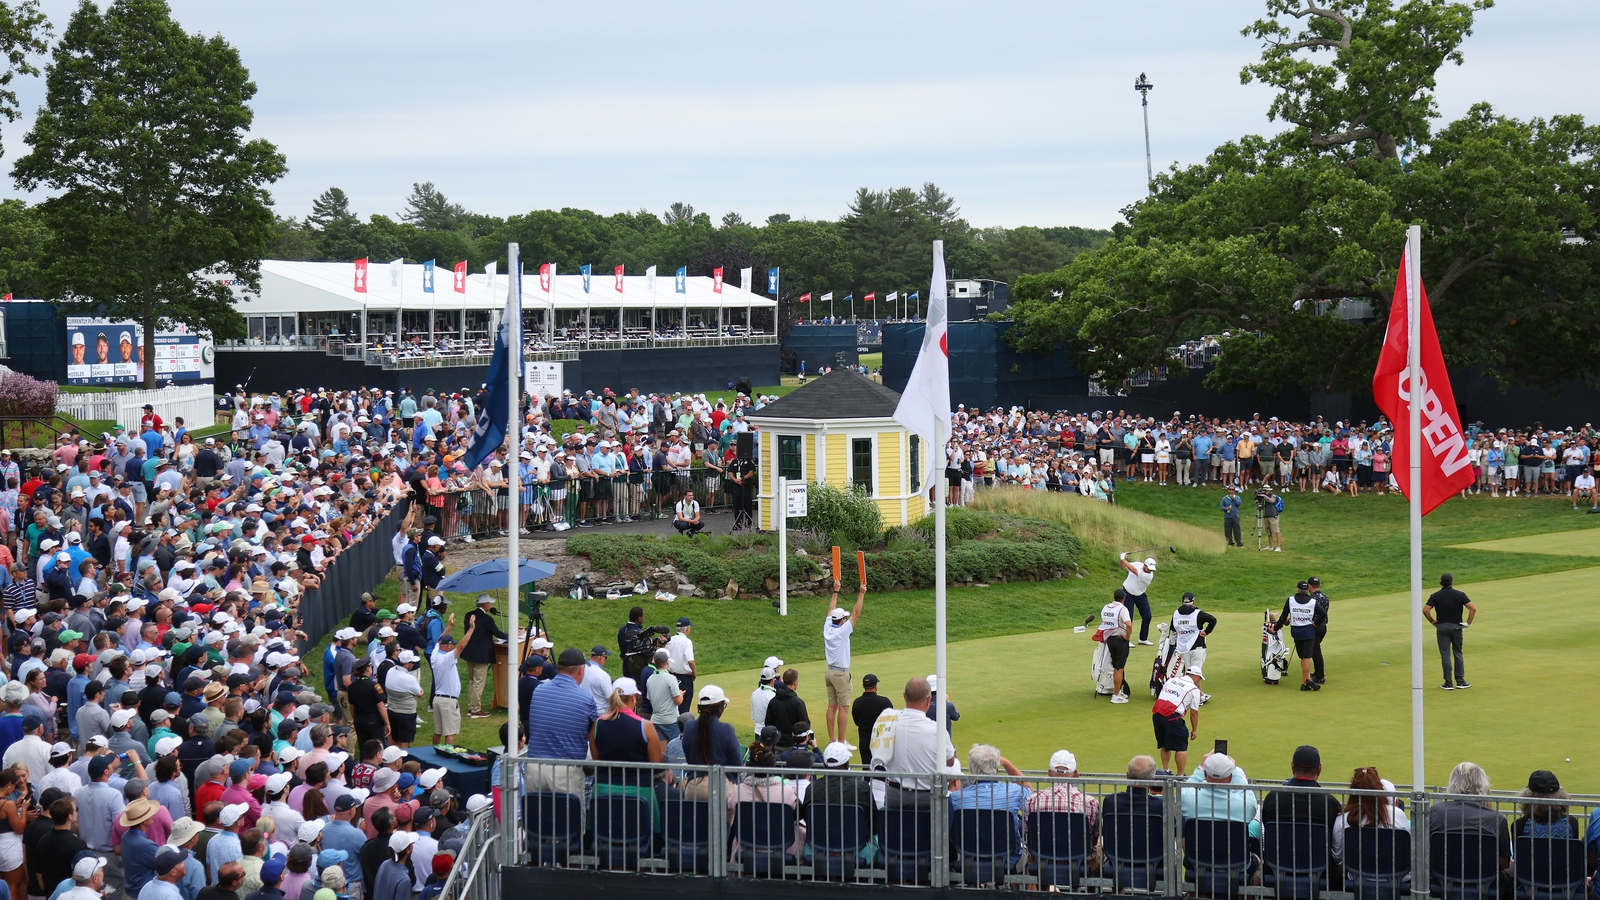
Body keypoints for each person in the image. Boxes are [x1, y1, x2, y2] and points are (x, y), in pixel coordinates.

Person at [1259, 746, 1344, 887]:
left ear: (1292, 767)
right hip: (1320, 872)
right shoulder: (1330, 803)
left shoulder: (1272, 799)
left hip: (1276, 868)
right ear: (1319, 769)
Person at [523, 648, 597, 796]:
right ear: (581, 670)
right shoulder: (586, 699)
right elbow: (593, 735)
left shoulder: (538, 691)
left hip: (534, 768)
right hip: (566, 772)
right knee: (568, 819)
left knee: (535, 818)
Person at [1430, 762, 1510, 892]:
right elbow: (1503, 863)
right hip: (1485, 881)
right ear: (1482, 784)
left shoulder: (1435, 811)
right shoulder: (1496, 818)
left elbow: (1424, 851)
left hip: (1440, 878)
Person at [883, 678, 940, 809]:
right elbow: (950, 760)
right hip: (926, 796)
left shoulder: (889, 723)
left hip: (895, 793)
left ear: (904, 695)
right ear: (928, 699)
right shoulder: (936, 729)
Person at [822, 577, 864, 746]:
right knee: (844, 707)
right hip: (840, 673)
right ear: (841, 621)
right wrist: (861, 594)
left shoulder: (828, 626)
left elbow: (831, 609)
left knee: (832, 706)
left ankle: (833, 740)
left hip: (829, 672)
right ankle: (840, 742)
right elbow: (856, 614)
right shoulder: (842, 631)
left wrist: (836, 590)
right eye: (844, 619)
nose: (846, 620)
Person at [1424, 573, 1476, 690]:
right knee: (1458, 653)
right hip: (1457, 627)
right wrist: (1468, 623)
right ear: (1452, 582)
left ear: (1441, 583)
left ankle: (1448, 683)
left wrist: (1432, 621)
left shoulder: (1436, 596)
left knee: (1445, 655)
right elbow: (1473, 608)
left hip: (1442, 627)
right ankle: (1460, 681)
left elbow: (1426, 610)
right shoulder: (1460, 595)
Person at [459, 594, 505, 720]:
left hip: (469, 652)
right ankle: (475, 709)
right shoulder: (487, 619)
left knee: (472, 681)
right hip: (481, 654)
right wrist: (515, 635)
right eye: (489, 603)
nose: (490, 605)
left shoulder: (468, 615)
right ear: (485, 605)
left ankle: (471, 706)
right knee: (478, 682)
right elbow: (499, 634)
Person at [1271, 581, 1323, 691]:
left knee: (1303, 657)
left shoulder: (1291, 600)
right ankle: (1306, 681)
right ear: (1306, 589)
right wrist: (1316, 623)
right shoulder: (1312, 602)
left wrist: (1274, 628)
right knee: (1306, 657)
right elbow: (1323, 613)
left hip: (1296, 631)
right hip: (1309, 631)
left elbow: (1283, 617)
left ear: (1298, 589)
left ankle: (1306, 681)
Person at [1150, 666, 1201, 776]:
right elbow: (1194, 712)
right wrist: (1194, 730)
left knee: (1164, 743)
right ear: (1196, 677)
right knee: (1181, 746)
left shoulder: (1172, 679)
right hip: (1172, 715)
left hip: (1157, 712)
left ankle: (1165, 771)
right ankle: (1180, 775)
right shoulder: (1194, 689)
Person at [1170, 592, 1216, 705]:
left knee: (1190, 673)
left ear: (1182, 602)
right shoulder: (1198, 613)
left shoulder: (1176, 613)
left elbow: (1173, 629)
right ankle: (1194, 698)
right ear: (1193, 602)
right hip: (1198, 648)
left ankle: (1200, 696)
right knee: (1194, 675)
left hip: (1183, 648)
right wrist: (1206, 632)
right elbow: (1213, 620)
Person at [1098, 588, 1134, 703]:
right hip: (1120, 640)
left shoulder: (1106, 607)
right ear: (1124, 598)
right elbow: (1129, 624)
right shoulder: (1122, 609)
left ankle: (1117, 691)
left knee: (1115, 666)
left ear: (1114, 597)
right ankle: (1116, 695)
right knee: (1119, 668)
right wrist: (1127, 637)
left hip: (1109, 640)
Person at [850, 674, 892, 765]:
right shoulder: (884, 702)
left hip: (864, 741)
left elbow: (857, 722)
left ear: (863, 686)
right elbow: (891, 721)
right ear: (876, 686)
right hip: (881, 741)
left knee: (866, 768)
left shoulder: (857, 702)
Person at [1117, 554, 1155, 645]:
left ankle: (1143, 638)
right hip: (1127, 593)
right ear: (1144, 565)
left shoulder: (1148, 576)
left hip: (1140, 594)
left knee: (1147, 616)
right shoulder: (1137, 564)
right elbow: (1124, 566)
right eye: (1149, 568)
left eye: (1152, 569)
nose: (1150, 570)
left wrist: (1122, 558)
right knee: (1128, 617)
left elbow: (1133, 570)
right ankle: (1126, 639)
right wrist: (1122, 560)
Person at [665, 618, 695, 713]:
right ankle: (682, 727)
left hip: (669, 676)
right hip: (684, 678)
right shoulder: (686, 642)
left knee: (672, 705)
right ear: (687, 629)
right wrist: (694, 673)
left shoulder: (670, 640)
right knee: (684, 708)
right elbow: (690, 661)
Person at [1307, 576, 1330, 685]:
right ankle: (1317, 673)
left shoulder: (1311, 599)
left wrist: (1315, 623)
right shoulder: (1325, 597)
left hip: (1315, 627)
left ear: (1309, 586)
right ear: (1319, 585)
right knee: (1315, 650)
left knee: (1316, 652)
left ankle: (1320, 677)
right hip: (1323, 627)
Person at [1259, 483, 1282, 552]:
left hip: (1273, 515)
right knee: (1269, 532)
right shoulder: (1264, 497)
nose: (1265, 492)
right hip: (1266, 515)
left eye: (1266, 490)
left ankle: (1278, 546)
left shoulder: (1272, 496)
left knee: (1276, 531)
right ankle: (1270, 545)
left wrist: (1264, 496)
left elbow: (1272, 501)